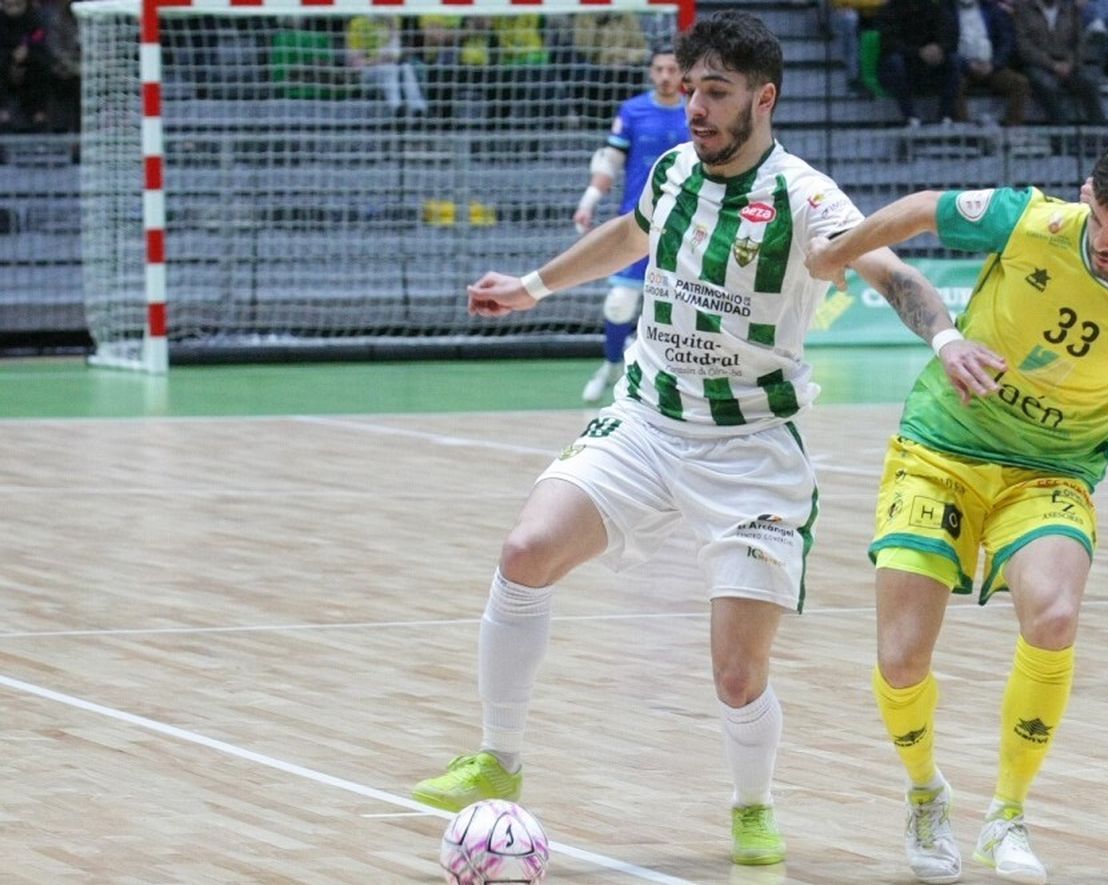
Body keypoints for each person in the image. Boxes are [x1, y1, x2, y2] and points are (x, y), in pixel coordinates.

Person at [411, 11, 994, 867]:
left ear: (764, 98)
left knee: (735, 674)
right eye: (691, 90)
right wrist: (534, 286)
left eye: (715, 93)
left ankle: (752, 805)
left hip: (750, 450)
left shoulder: (805, 195)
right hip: (647, 422)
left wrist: (945, 340)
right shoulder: (677, 169)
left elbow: (890, 271)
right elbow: (628, 235)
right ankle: (498, 757)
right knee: (524, 549)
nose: (695, 109)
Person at [807, 132, 1108, 885]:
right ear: (1087, 195)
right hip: (941, 446)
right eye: (1101, 223)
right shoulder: (1031, 222)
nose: (1106, 244)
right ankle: (926, 790)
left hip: (1050, 472)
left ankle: (1007, 814)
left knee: (1053, 617)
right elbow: (922, 209)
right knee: (901, 657)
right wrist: (838, 254)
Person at [571, 44, 689, 404]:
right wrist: (589, 201)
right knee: (619, 304)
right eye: (659, 69)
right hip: (638, 224)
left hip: (686, 228)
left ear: (682, 73)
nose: (666, 76)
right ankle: (608, 368)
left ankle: (667, 384)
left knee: (680, 310)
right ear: (651, 72)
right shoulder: (633, 111)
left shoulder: (698, 111)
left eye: (672, 69)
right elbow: (610, 161)